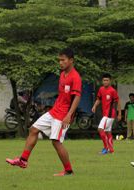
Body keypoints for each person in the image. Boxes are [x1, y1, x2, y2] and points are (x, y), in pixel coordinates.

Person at [6, 48, 82, 176]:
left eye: (63, 60)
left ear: (71, 60)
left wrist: (69, 115)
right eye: (59, 60)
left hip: (63, 114)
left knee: (56, 142)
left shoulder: (75, 77)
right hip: (54, 111)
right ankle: (23, 160)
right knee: (33, 129)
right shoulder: (63, 75)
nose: (60, 62)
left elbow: (77, 97)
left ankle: (69, 171)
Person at [92, 73, 121, 154]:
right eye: (104, 80)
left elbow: (118, 102)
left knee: (100, 129)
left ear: (110, 81)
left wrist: (119, 114)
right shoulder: (101, 89)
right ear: (102, 81)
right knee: (108, 132)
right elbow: (99, 99)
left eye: (107, 80)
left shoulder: (112, 91)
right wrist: (94, 106)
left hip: (110, 114)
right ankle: (111, 149)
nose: (105, 82)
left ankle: (105, 148)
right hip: (106, 114)